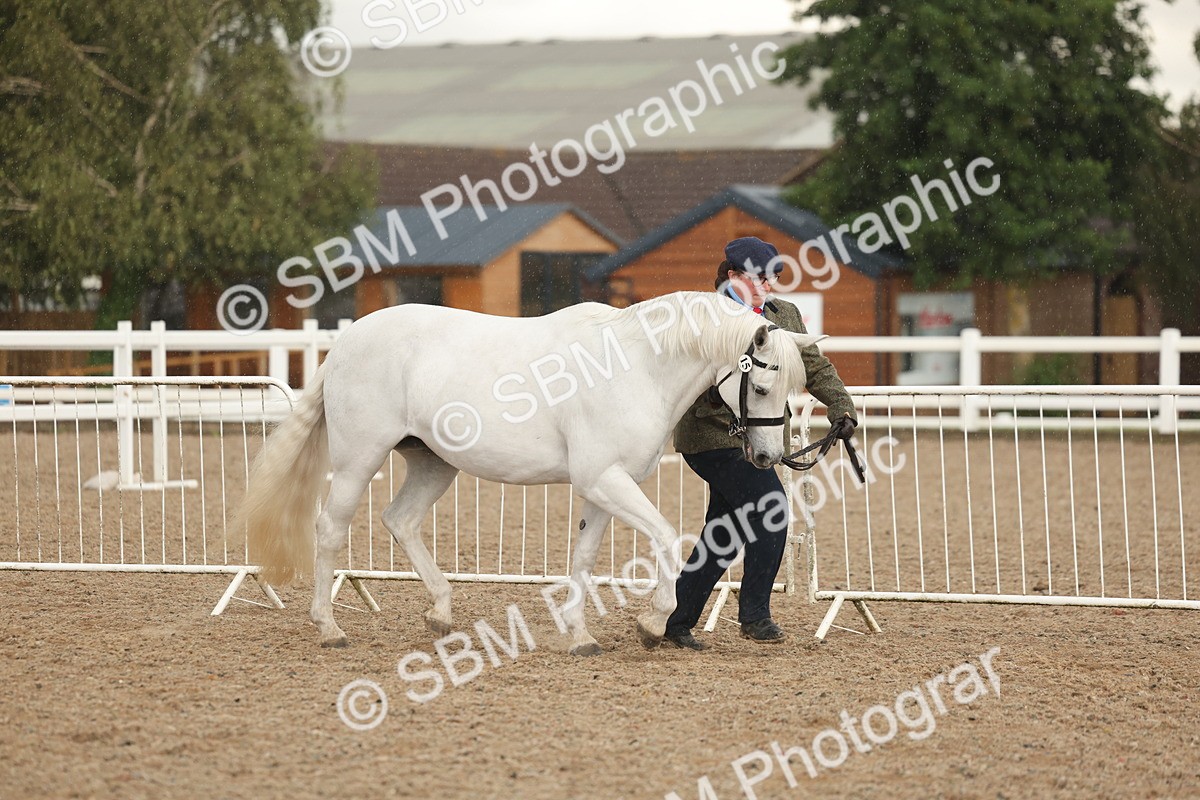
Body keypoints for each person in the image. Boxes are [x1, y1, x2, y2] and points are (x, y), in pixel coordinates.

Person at [665, 236, 858, 649]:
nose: (770, 284)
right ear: (733, 276)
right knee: (771, 510)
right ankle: (755, 615)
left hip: (759, 438)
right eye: (762, 277)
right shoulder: (706, 316)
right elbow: (685, 378)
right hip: (711, 435)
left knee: (725, 532)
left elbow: (813, 364)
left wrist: (841, 407)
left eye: (774, 277)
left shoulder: (783, 315)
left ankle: (674, 620)